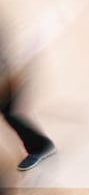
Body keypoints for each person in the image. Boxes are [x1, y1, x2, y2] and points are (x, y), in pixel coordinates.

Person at [1, 10, 56, 172]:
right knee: (9, 112)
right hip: (9, 73)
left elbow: (10, 53)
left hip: (9, 75)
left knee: (10, 112)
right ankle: (39, 146)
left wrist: (13, 76)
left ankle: (40, 146)